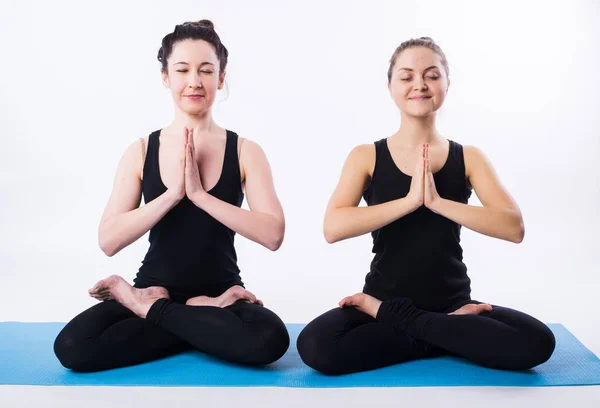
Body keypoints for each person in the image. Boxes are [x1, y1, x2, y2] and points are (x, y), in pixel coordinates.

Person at [296, 37, 555, 375]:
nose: (420, 84)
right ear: (390, 87)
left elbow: (513, 226)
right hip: (386, 300)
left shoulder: (469, 157)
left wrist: (437, 202)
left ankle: (412, 325)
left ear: (447, 83)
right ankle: (443, 334)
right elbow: (333, 227)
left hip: (452, 305)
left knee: (537, 342)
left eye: (432, 75)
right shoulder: (366, 156)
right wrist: (409, 202)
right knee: (316, 345)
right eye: (406, 76)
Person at [53, 20, 289, 372]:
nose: (194, 81)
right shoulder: (141, 150)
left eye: (206, 71)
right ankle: (195, 316)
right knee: (72, 346)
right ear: (166, 77)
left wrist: (200, 195)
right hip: (156, 287)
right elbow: (108, 240)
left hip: (221, 292)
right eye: (182, 70)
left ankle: (154, 312)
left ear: (221, 79)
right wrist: (172, 195)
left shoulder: (244, 151)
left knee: (270, 338)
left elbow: (273, 235)